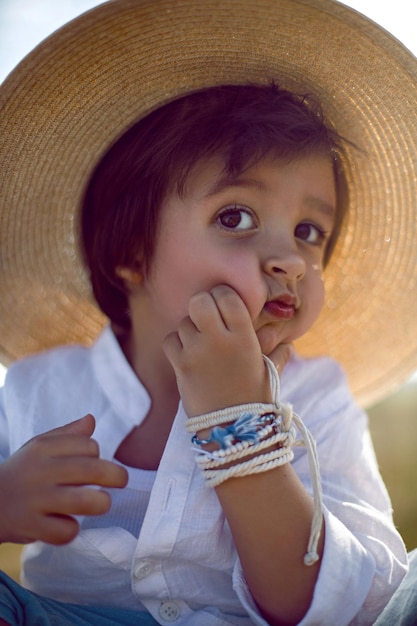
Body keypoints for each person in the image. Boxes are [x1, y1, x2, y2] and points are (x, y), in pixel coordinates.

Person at [0, 1, 416, 625]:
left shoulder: (317, 398)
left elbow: (356, 604)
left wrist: (239, 426)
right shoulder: (39, 388)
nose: (291, 260)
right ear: (131, 254)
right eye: (236, 217)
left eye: (309, 231)